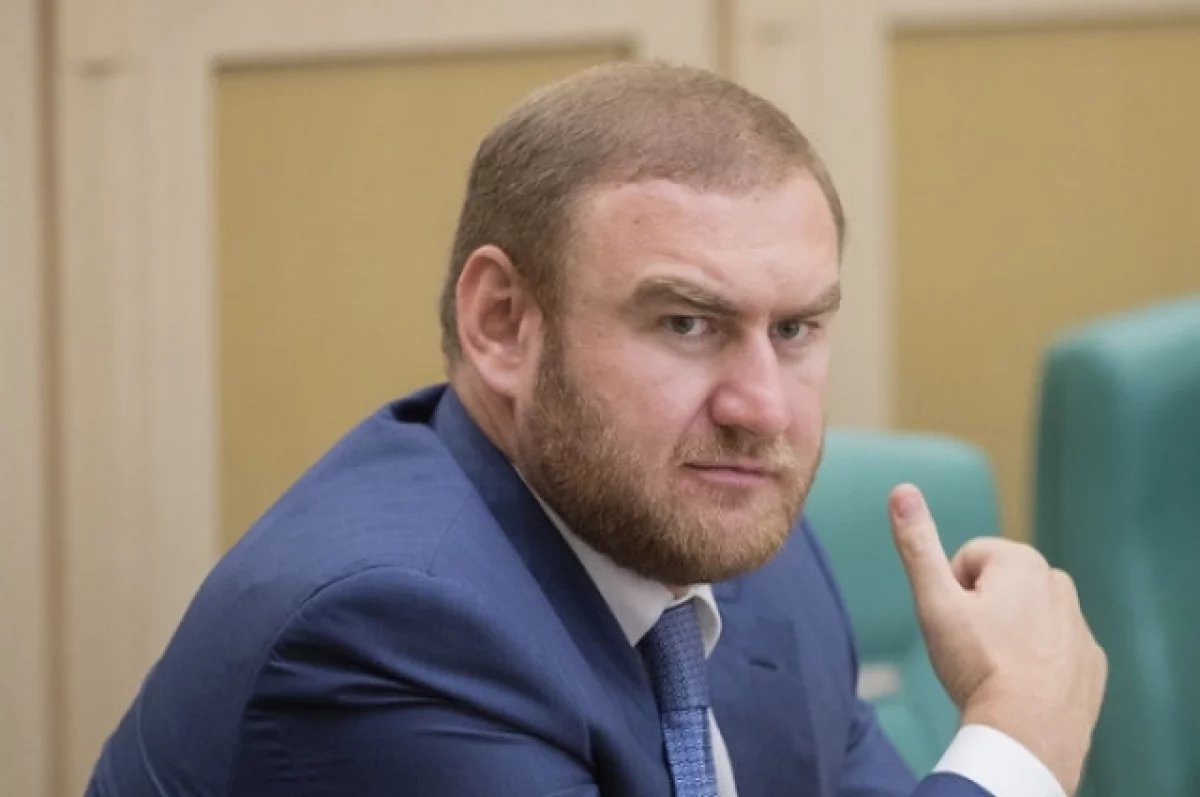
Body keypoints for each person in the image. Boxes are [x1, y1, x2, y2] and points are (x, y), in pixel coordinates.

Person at [86, 61, 1106, 797]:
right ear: (502, 323)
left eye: (795, 328)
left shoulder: (748, 551)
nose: (761, 409)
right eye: (687, 323)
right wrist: (1017, 738)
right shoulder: (386, 631)